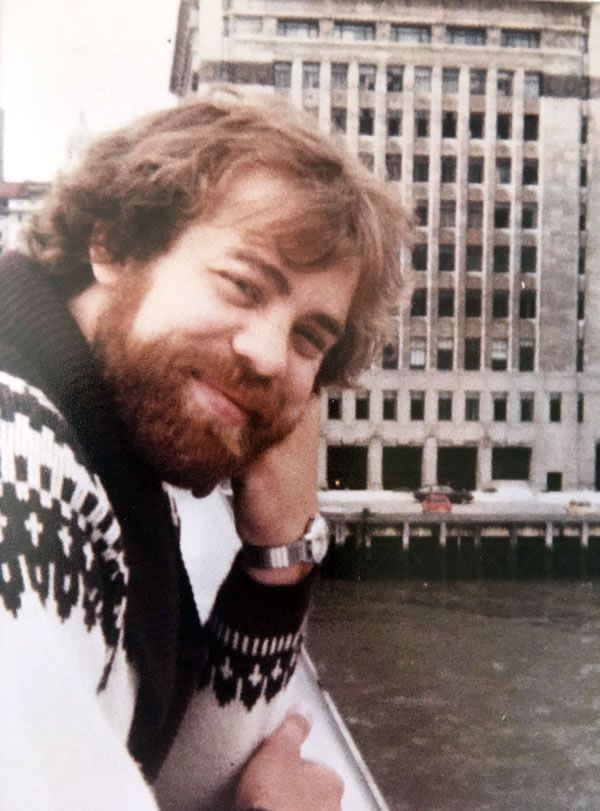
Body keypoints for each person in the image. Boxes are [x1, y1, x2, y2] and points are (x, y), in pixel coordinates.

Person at [0, 86, 408, 810]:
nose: (266, 356)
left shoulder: (106, 459)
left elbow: (155, 769)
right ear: (116, 244)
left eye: (309, 336)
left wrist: (277, 558)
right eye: (244, 286)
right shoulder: (21, 471)